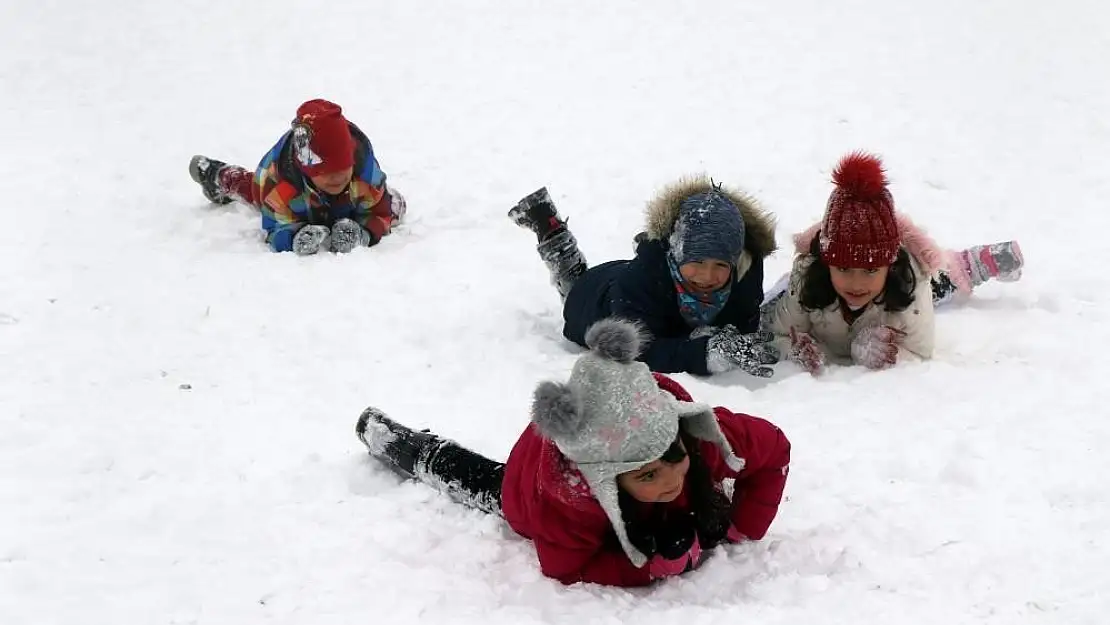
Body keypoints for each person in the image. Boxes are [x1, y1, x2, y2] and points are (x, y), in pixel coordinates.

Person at [356, 318, 791, 587]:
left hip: (604, 424)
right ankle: (402, 445)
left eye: (672, 458)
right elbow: (565, 568)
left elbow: (775, 451)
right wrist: (648, 569)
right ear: (607, 480)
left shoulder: (697, 434)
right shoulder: (569, 500)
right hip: (532, 484)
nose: (670, 479)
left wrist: (741, 528)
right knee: (486, 482)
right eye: (645, 476)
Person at [767, 151, 1024, 373]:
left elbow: (920, 352)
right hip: (829, 291)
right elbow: (776, 334)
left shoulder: (910, 285)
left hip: (895, 294)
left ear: (889, 264)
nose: (856, 283)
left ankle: (967, 266)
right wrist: (794, 350)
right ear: (827, 263)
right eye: (843, 268)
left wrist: (876, 352)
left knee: (938, 283)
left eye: (869, 269)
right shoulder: (806, 280)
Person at [507, 179, 779, 377]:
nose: (708, 276)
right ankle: (551, 231)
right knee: (573, 282)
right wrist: (703, 353)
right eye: (696, 262)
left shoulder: (746, 269)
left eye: (721, 264)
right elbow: (636, 351)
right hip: (596, 299)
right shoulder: (639, 282)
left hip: (646, 284)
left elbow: (745, 323)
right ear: (676, 254)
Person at [187, 99, 406, 255]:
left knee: (394, 205)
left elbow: (381, 212)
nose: (337, 177)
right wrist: (294, 237)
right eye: (325, 172)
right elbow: (274, 228)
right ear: (307, 169)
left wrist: (364, 233)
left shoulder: (364, 174)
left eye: (343, 168)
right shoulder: (280, 186)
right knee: (253, 190)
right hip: (295, 200)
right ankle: (219, 176)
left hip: (349, 201)